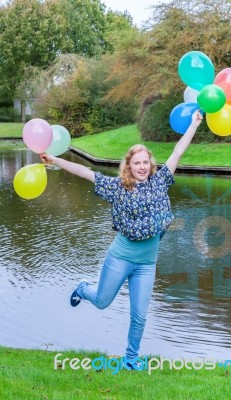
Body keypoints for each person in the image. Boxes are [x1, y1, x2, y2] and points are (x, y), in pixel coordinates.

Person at [40, 110, 203, 370]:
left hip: (147, 264)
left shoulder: (160, 181)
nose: (142, 166)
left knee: (139, 314)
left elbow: (178, 152)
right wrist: (55, 160)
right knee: (103, 302)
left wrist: (194, 124)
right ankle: (83, 288)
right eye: (136, 163)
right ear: (128, 166)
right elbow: (84, 172)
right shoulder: (117, 187)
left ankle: (130, 358)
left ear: (151, 165)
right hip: (121, 257)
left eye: (145, 162)